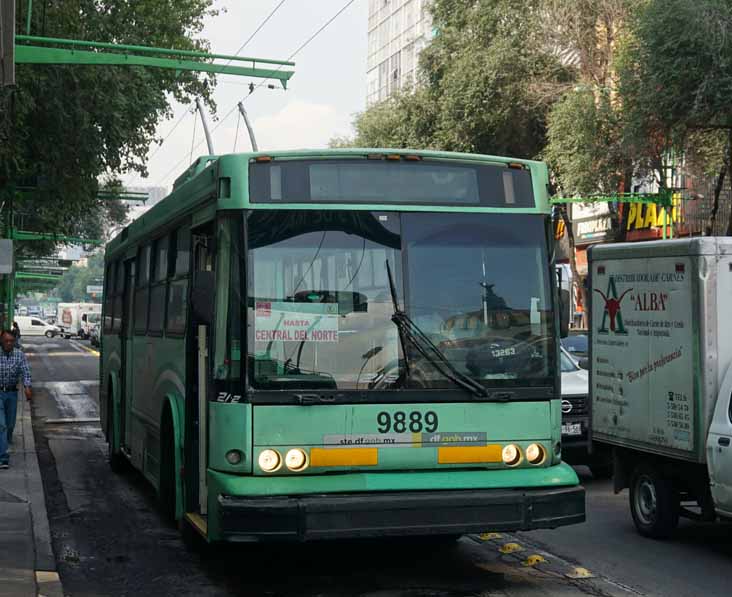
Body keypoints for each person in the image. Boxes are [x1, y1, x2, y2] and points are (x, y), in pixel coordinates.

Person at [0, 329, 32, 469]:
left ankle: (4, 443)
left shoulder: (19, 355)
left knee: (10, 424)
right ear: (1, 341)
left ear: (15, 342)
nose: (8, 343)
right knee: (2, 425)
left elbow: (26, 372)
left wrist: (27, 387)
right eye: (6, 341)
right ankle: (3, 457)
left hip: (12, 393)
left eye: (11, 341)